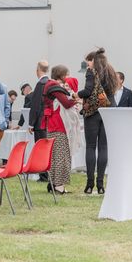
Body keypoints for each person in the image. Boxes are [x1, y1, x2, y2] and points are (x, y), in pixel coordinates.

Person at [77, 48, 117, 194]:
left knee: (90, 147)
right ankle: (101, 185)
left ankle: (89, 184)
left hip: (93, 112)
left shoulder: (91, 72)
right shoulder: (111, 71)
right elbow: (112, 92)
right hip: (109, 111)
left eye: (88, 60)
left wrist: (76, 94)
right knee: (103, 147)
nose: (87, 63)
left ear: (93, 60)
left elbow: (87, 91)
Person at [42, 65, 79, 194]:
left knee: (54, 156)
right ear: (62, 75)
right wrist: (76, 99)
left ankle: (52, 183)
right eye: (66, 74)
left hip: (52, 124)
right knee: (61, 156)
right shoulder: (55, 87)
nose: (67, 77)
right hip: (58, 125)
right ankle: (58, 186)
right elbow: (66, 103)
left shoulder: (50, 85)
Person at [28, 61, 49, 181]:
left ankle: (44, 175)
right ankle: (46, 174)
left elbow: (35, 105)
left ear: (38, 70)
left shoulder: (40, 84)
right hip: (47, 121)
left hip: (40, 123)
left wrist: (31, 123)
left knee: (41, 149)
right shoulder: (50, 83)